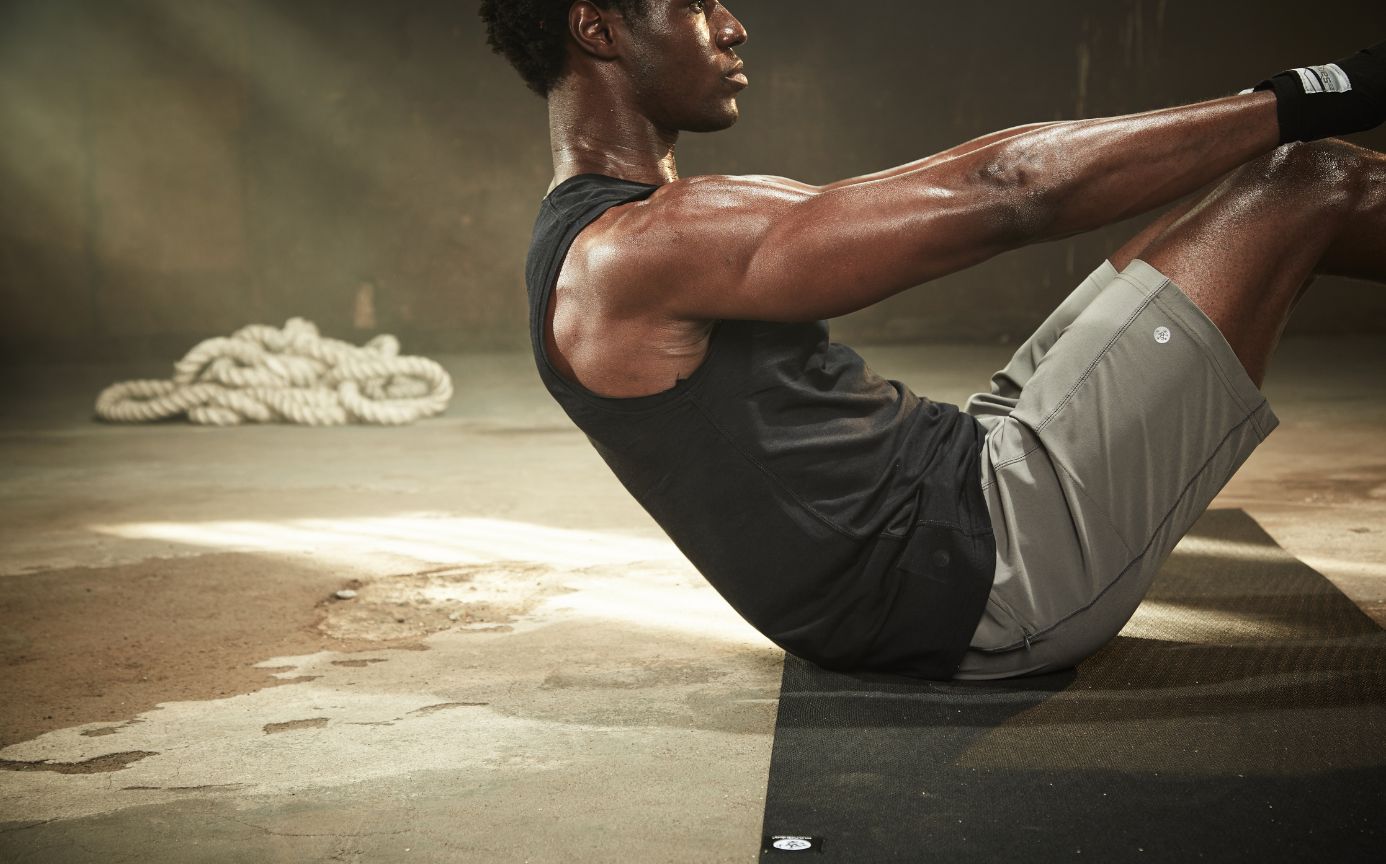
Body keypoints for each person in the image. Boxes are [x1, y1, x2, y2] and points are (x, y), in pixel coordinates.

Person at [480, 0, 1386, 679]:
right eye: (693, 3)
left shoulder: (600, 235)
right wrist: (1322, 92)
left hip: (962, 497)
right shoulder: (636, 248)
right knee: (1311, 176)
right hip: (988, 576)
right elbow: (1010, 187)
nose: (732, 25)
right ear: (598, 29)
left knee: (1275, 199)